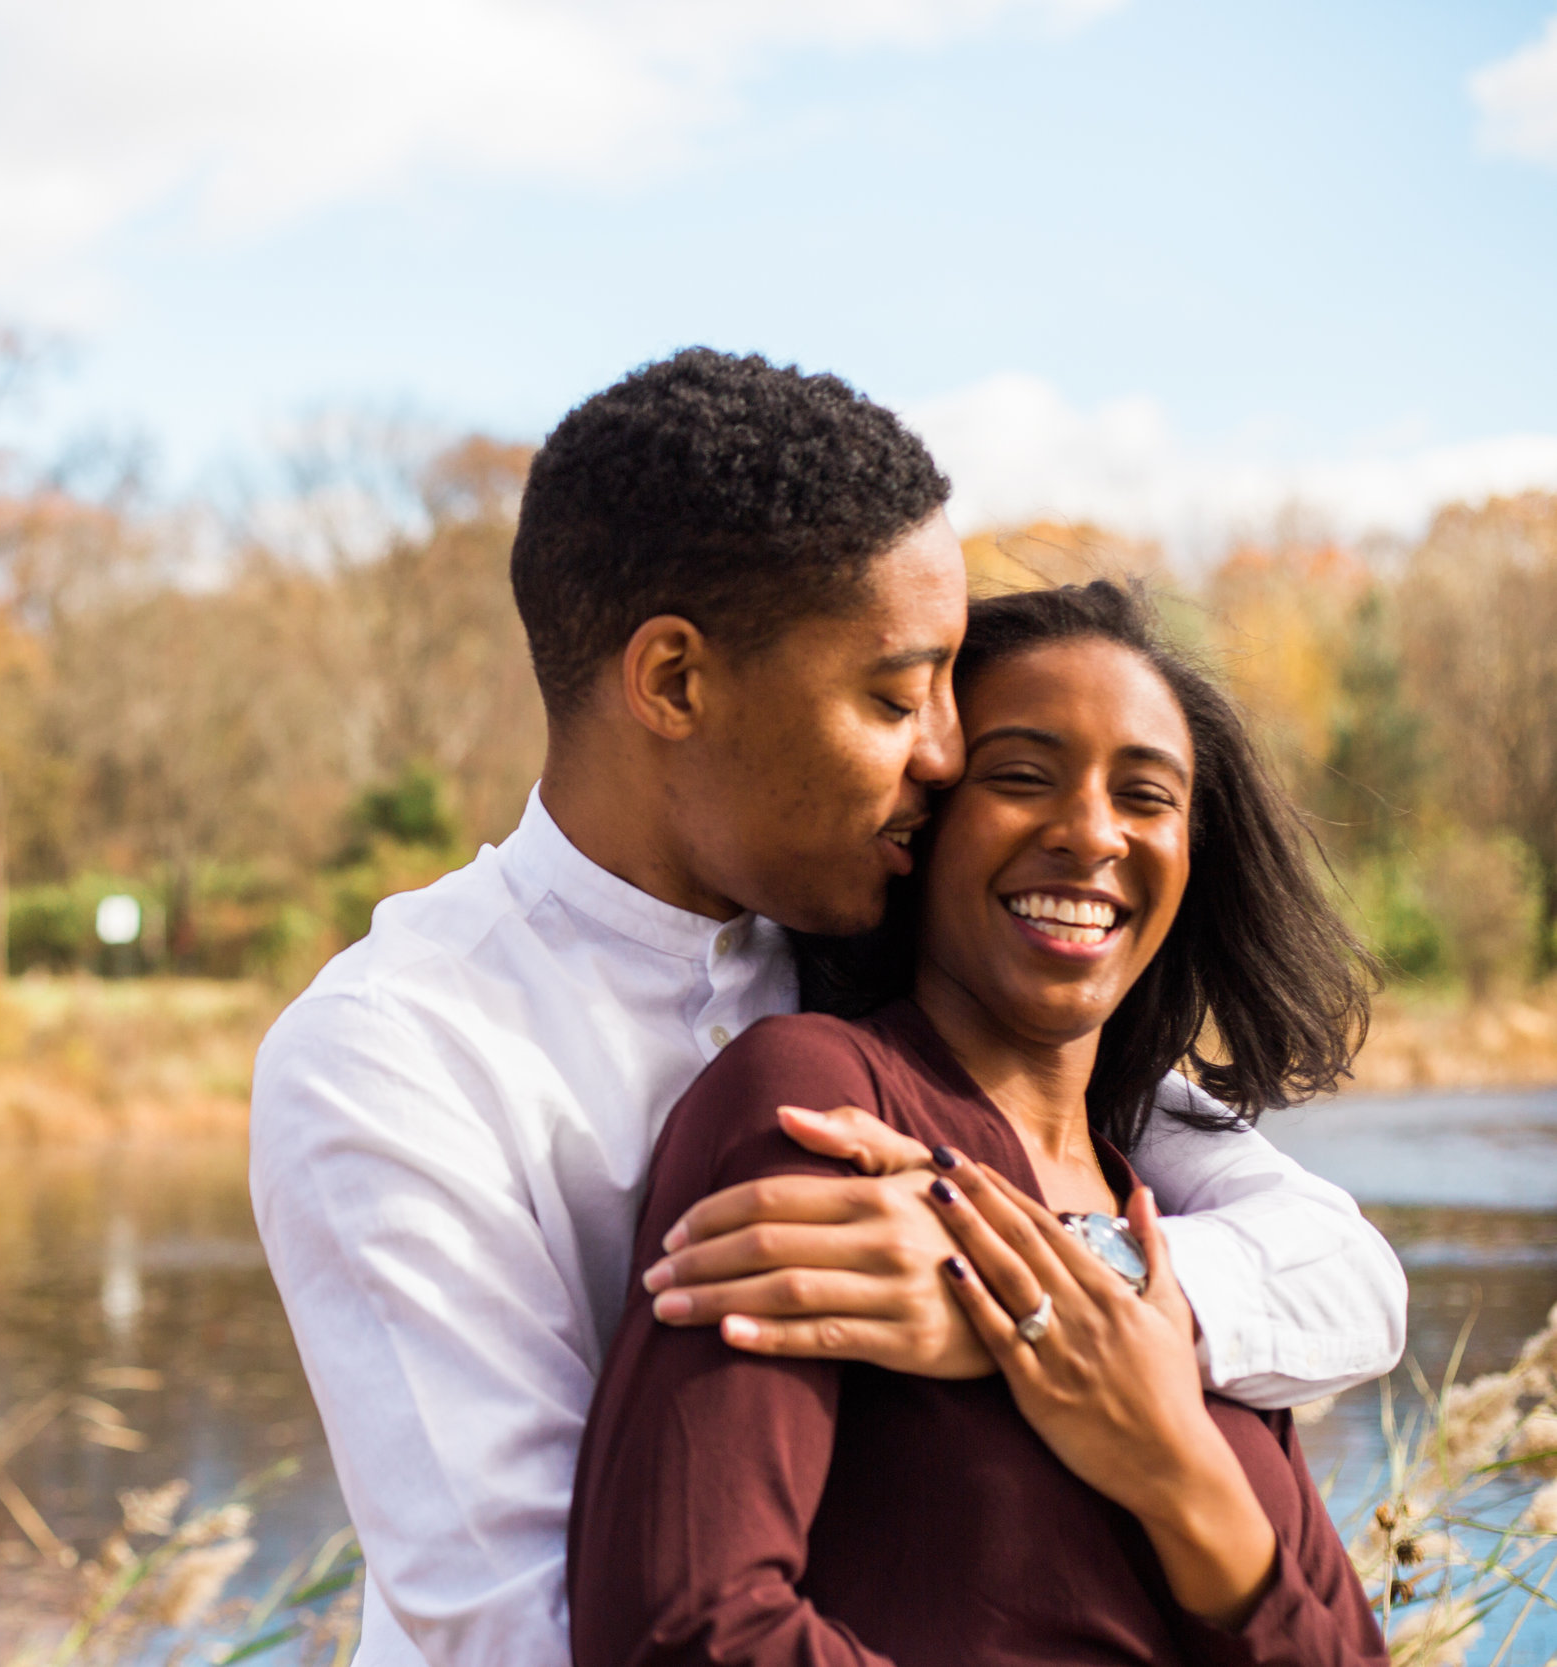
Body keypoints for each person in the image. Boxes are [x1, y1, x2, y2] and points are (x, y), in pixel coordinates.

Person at [248, 350, 1406, 1667]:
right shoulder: (393, 1057)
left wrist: (1034, 1280)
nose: (945, 752)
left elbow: (1340, 1268)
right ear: (677, 683)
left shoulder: (888, 956)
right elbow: (527, 1630)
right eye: (892, 694)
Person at [569, 579, 1387, 1665]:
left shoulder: (1163, 1222)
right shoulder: (819, 1108)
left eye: (1145, 796)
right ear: (922, 822)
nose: (1091, 833)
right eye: (1019, 776)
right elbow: (683, 1631)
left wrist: (1176, 1468)